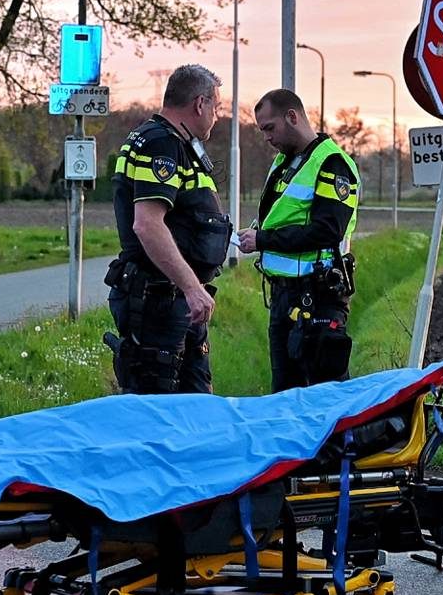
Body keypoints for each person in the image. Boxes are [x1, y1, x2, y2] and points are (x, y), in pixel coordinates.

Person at [103, 65, 231, 393]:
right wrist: (191, 287)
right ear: (199, 104)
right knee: (159, 414)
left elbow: (187, 220)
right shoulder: (160, 144)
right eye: (215, 107)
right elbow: (147, 224)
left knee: (194, 409)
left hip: (174, 301)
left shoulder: (177, 143)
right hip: (159, 301)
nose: (216, 116)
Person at [239, 89, 361, 392]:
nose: (266, 137)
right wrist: (255, 233)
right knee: (284, 394)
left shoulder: (332, 163)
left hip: (318, 297)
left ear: (292, 117)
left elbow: (327, 231)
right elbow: (284, 217)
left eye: (270, 127)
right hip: (284, 298)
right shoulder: (285, 162)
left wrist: (263, 240)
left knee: (323, 395)